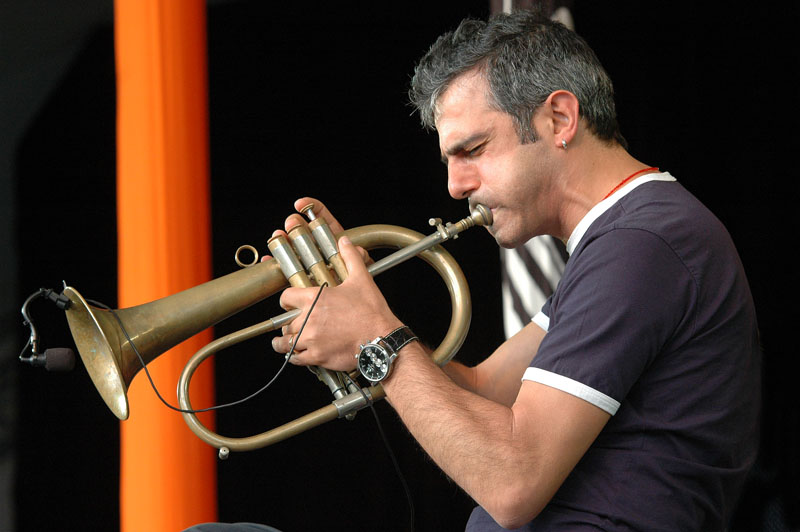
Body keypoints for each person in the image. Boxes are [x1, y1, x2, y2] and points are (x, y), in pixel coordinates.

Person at [271, 10, 760, 531]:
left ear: (560, 119)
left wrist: (376, 340)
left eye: (473, 150)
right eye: (448, 160)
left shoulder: (642, 244)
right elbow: (483, 386)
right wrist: (356, 324)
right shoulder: (617, 242)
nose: (455, 186)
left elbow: (512, 481)